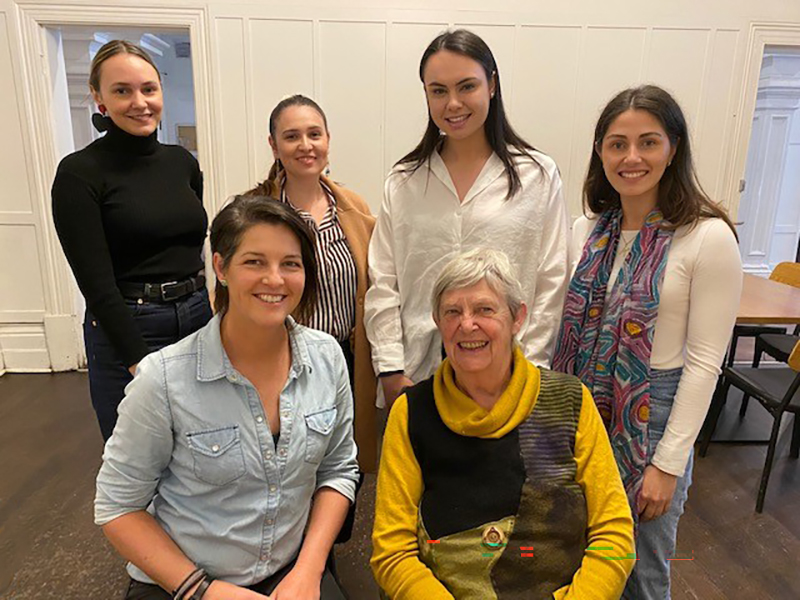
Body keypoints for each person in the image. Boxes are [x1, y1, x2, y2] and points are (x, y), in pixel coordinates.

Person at [95, 196, 359, 600]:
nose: (275, 280)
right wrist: (205, 591)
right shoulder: (164, 379)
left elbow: (338, 470)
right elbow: (118, 507)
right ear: (220, 267)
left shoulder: (327, 359)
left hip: (290, 571)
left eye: (291, 263)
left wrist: (309, 569)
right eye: (254, 262)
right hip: (184, 582)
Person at [552, 85, 742, 599]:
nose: (631, 157)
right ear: (600, 152)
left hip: (652, 416)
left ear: (673, 148)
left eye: (648, 142)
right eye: (617, 144)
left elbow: (705, 363)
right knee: (576, 555)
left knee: (640, 567)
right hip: (580, 410)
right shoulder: (587, 229)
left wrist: (666, 465)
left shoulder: (707, 237)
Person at [371, 248, 634, 600]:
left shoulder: (570, 401)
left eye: (484, 309)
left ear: (517, 317)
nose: (467, 325)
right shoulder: (411, 412)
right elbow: (392, 551)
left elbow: (614, 533)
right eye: (452, 311)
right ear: (437, 321)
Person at [365, 28, 570, 409]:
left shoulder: (537, 176)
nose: (453, 103)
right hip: (418, 378)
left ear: (492, 85)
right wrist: (390, 368)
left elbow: (551, 279)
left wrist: (534, 368)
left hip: (510, 379)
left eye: (467, 86)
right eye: (438, 91)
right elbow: (384, 280)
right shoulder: (405, 181)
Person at [51, 40, 212, 441]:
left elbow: (192, 247)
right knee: (138, 456)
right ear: (98, 97)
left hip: (196, 318)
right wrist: (137, 361)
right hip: (130, 324)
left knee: (203, 448)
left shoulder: (182, 163)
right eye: (122, 90)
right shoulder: (80, 174)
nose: (139, 102)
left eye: (148, 89)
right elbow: (96, 284)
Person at [244, 95, 378, 473]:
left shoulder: (354, 208)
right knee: (286, 464)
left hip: (347, 363)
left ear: (328, 139)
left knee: (340, 465)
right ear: (273, 145)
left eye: (314, 134)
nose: (305, 145)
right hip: (282, 361)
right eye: (291, 136)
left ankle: (332, 533)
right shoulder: (252, 211)